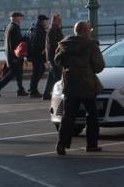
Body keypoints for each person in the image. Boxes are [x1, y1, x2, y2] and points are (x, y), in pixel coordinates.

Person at [54, 21, 105, 155]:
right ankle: (91, 144)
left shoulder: (64, 44)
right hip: (87, 85)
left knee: (68, 116)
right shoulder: (90, 45)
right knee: (92, 115)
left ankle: (62, 144)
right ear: (85, 31)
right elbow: (99, 66)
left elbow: (57, 61)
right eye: (89, 30)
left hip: (70, 85)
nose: (90, 32)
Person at [0, 12, 27, 97]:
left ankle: (20, 90)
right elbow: (14, 43)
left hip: (11, 54)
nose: (21, 19)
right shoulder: (14, 28)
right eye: (20, 17)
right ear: (16, 18)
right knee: (13, 73)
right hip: (15, 55)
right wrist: (15, 57)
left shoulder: (8, 26)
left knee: (18, 72)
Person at [26, 15, 49, 98]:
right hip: (37, 55)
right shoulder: (39, 30)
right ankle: (33, 91)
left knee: (41, 70)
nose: (46, 23)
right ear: (42, 21)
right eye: (45, 21)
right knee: (37, 72)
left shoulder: (33, 28)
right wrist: (43, 49)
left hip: (34, 54)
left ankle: (32, 87)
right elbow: (38, 43)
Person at [44, 14, 64, 100]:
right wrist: (61, 45)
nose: (60, 21)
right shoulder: (52, 31)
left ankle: (46, 94)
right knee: (57, 77)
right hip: (54, 56)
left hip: (53, 56)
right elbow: (52, 45)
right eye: (58, 20)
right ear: (54, 21)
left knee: (51, 76)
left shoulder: (55, 30)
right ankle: (59, 94)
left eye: (60, 19)